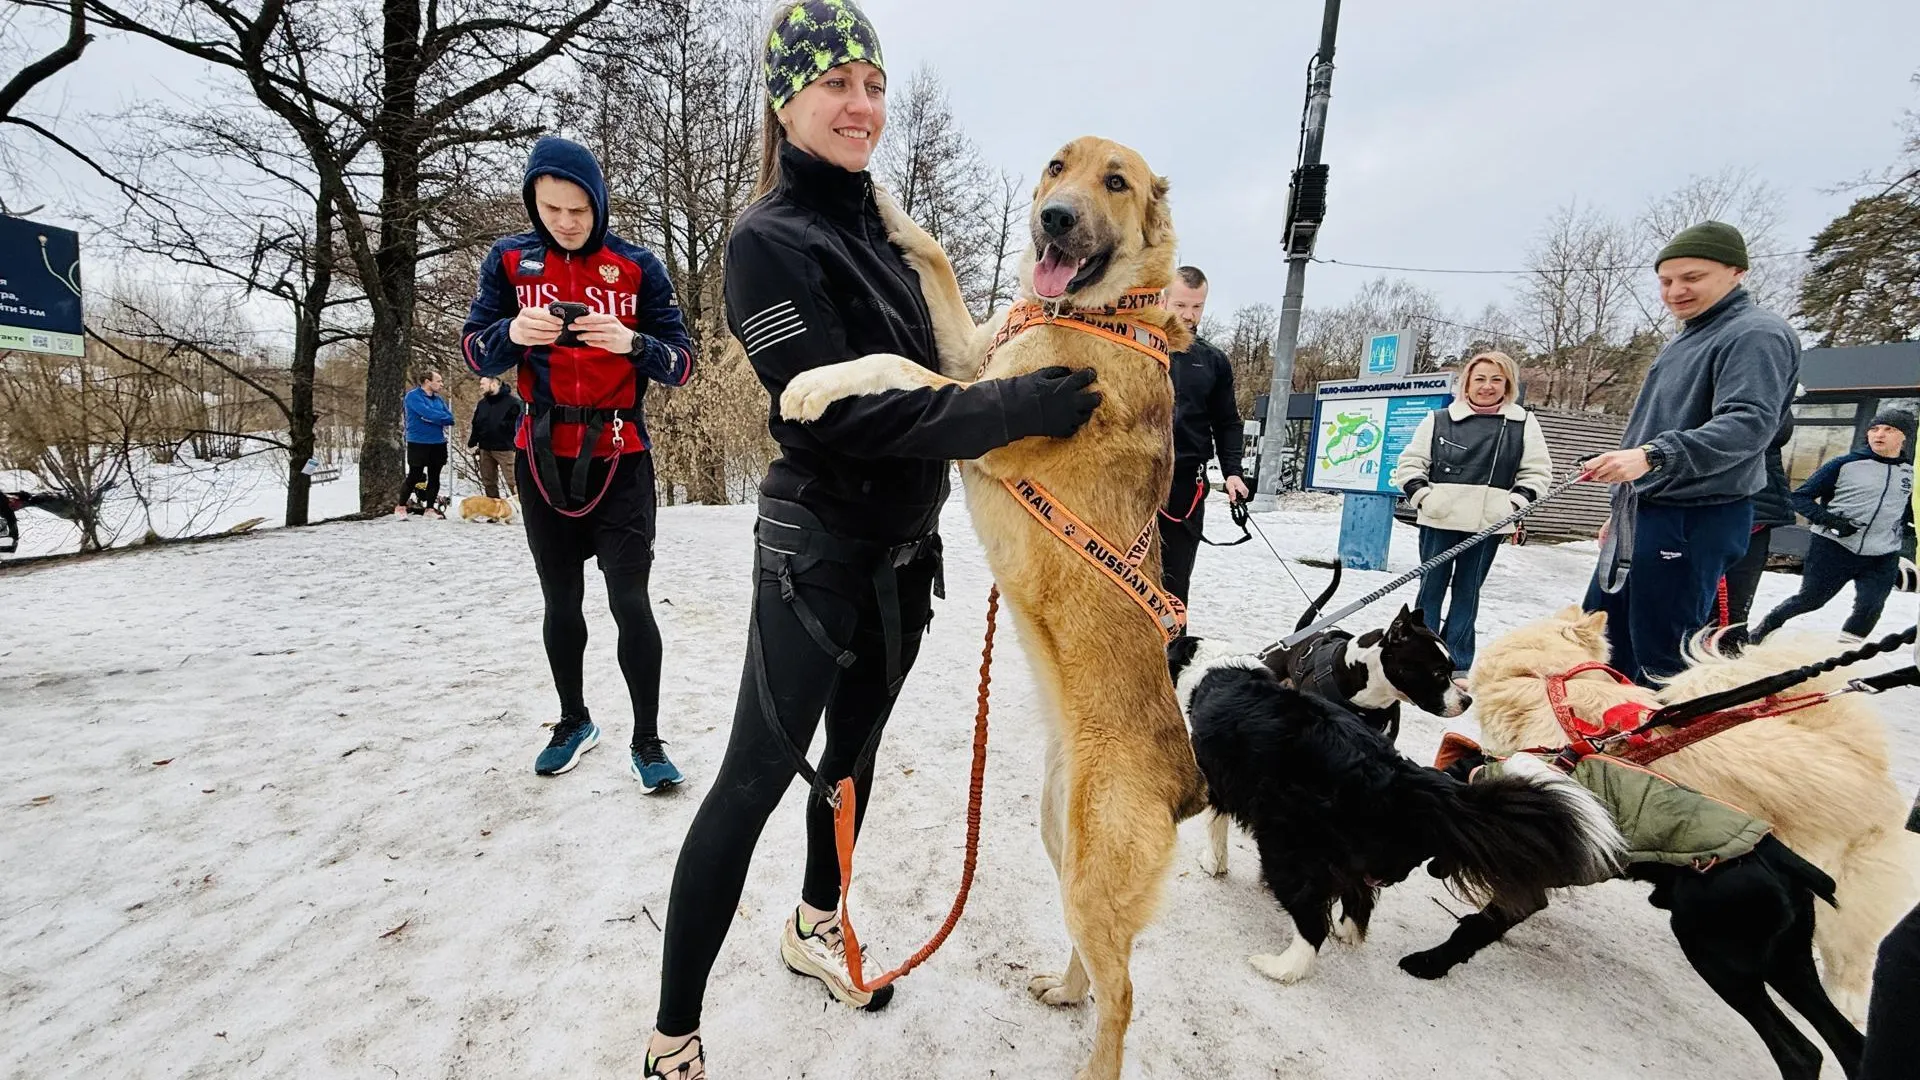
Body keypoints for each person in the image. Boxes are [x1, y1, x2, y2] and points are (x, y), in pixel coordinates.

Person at [642, 3, 1102, 1075]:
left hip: (906, 554)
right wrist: (1014, 410)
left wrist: (1045, 338)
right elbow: (846, 411)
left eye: (873, 84)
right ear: (785, 97)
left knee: (851, 765)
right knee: (754, 781)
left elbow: (943, 371)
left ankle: (812, 923)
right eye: (836, 83)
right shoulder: (767, 241)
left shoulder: (889, 235)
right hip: (816, 555)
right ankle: (671, 1036)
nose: (860, 106)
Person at [460, 135, 696, 790]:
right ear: (536, 205)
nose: (567, 222)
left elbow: (681, 360)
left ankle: (647, 740)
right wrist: (510, 333)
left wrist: (632, 342)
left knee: (630, 600)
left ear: (599, 203)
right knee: (561, 602)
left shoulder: (637, 266)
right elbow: (476, 353)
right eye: (553, 209)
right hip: (542, 459)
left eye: (579, 210)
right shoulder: (509, 262)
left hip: (622, 455)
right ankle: (574, 720)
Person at [1582, 221, 1799, 686]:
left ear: (1735, 271)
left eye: (1692, 277)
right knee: (1602, 639)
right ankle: (1597, 743)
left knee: (1661, 657)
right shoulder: (1688, 337)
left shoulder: (1756, 333)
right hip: (1646, 511)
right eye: (1666, 280)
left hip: (1692, 516)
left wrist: (1653, 457)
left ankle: (1655, 751)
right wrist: (1623, 507)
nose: (1676, 291)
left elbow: (1749, 423)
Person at [1390, 351, 1552, 679]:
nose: (1487, 386)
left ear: (1508, 383)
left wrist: (1511, 507)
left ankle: (1459, 662)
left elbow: (1537, 472)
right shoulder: (1439, 419)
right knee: (1430, 589)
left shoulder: (1522, 423)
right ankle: (1422, 658)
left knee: (1468, 592)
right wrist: (1425, 497)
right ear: (1467, 382)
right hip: (1439, 519)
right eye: (1480, 379)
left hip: (1488, 525)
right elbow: (1409, 464)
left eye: (1496, 379)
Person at [1751, 409, 1914, 642]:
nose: (1879, 434)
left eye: (1889, 429)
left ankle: (1843, 655)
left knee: (1871, 607)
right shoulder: (1845, 464)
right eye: (1874, 429)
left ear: (1904, 437)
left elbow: (1907, 511)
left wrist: (1905, 536)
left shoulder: (1909, 473)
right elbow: (1800, 497)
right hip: (1834, 547)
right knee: (1811, 600)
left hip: (1882, 553)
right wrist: (1833, 522)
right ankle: (1761, 631)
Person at [1157, 265, 1250, 606]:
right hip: (1134, 478)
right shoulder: (1137, 347)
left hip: (1185, 485)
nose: (1189, 315)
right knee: (1125, 577)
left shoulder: (1213, 361)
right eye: (1181, 305)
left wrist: (1233, 472)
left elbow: (1227, 422)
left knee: (1174, 582)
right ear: (1164, 300)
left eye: (1196, 307)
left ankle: (1172, 656)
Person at [1719, 407, 1795, 650]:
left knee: (1733, 607)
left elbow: (1773, 430)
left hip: (1751, 515)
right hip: (1706, 511)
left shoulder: (1768, 398)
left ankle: (1728, 656)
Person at [396, 371, 455, 517]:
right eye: (439, 381)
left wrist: (433, 418)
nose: (442, 384)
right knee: (415, 475)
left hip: (438, 442)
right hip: (418, 441)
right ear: (428, 381)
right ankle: (401, 507)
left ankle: (429, 508)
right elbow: (425, 413)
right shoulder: (413, 396)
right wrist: (434, 417)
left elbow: (449, 418)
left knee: (435, 476)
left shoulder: (438, 400)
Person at [467, 375, 523, 499]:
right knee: (489, 482)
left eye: (483, 384)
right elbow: (476, 423)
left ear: (493, 384)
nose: (480, 387)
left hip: (505, 448)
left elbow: (519, 425)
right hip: (485, 448)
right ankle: (493, 511)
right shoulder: (482, 404)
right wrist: (472, 442)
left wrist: (503, 428)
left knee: (513, 481)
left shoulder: (513, 403)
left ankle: (522, 511)